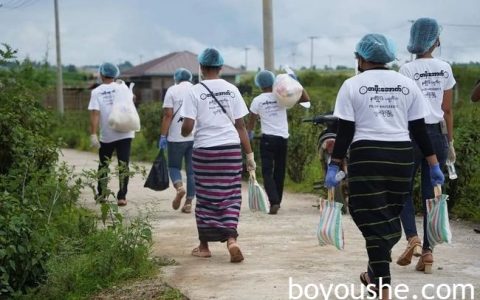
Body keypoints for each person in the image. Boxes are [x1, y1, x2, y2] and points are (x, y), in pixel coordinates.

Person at [325, 34, 444, 299]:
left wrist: (334, 165)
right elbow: (419, 130)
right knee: (389, 213)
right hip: (401, 155)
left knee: (366, 214)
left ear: (362, 58)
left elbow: (345, 131)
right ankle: (373, 273)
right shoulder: (407, 85)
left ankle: (383, 287)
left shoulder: (351, 85)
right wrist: (434, 163)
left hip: (367, 155)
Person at [180, 48, 256, 263]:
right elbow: (240, 126)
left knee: (205, 196)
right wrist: (249, 155)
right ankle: (231, 240)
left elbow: (188, 126)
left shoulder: (194, 91)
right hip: (230, 149)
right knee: (230, 195)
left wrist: (184, 130)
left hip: (205, 151)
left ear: (202, 68)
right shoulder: (232, 89)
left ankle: (204, 246)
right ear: (220, 67)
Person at [397, 17, 456, 273]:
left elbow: (402, 108)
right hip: (436, 135)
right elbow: (447, 109)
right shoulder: (445, 68)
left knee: (403, 190)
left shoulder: (406, 70)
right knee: (432, 194)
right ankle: (429, 253)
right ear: (435, 40)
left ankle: (413, 238)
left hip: (410, 134)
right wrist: (449, 142)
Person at [246, 70, 310, 214]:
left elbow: (251, 122)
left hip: (267, 140)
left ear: (259, 84)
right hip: (283, 139)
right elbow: (306, 99)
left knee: (267, 172)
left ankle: (274, 201)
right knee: (279, 171)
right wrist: (296, 83)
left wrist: (249, 134)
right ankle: (277, 202)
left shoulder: (258, 100)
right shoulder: (282, 95)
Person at [88, 62, 134, 206]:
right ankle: (122, 197)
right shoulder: (123, 87)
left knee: (103, 165)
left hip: (107, 135)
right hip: (126, 132)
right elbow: (132, 100)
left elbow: (95, 114)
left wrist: (93, 134)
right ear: (115, 74)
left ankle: (102, 195)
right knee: (123, 164)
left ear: (101, 74)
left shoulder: (96, 92)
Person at [159, 68, 195, 213]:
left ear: (176, 78)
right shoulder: (196, 89)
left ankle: (180, 188)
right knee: (192, 172)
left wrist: (163, 135)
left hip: (175, 137)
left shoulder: (172, 90)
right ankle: (188, 203)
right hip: (194, 136)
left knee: (174, 167)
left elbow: (168, 115)